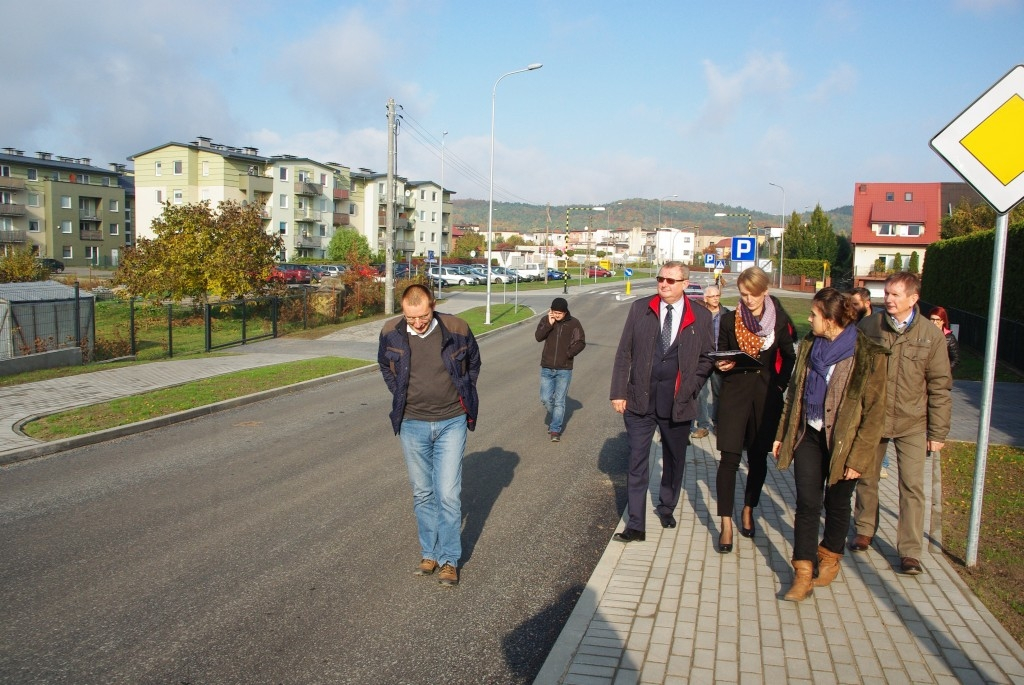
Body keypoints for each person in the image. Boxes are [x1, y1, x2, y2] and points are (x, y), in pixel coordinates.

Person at [772, 288, 888, 601]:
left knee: (836, 504)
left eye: (814, 315)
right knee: (808, 503)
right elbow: (794, 394)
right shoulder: (810, 345)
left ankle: (831, 555)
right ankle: (803, 571)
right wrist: (782, 434)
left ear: (831, 319)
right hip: (810, 434)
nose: (809, 319)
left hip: (845, 444)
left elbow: (875, 413)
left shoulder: (868, 355)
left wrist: (858, 458)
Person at [378, 284, 481, 587]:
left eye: (423, 316)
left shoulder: (457, 328)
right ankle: (429, 553)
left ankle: (449, 560)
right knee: (423, 493)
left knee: (447, 494)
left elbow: (473, 363)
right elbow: (385, 365)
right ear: (403, 312)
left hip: (452, 421)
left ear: (433, 306)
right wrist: (399, 392)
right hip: (412, 423)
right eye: (412, 318)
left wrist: (464, 392)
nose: (418, 323)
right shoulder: (391, 332)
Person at [849, 272, 952, 576]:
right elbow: (856, 372)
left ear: (913, 299)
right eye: (887, 293)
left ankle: (909, 551)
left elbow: (940, 386)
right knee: (867, 477)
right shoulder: (870, 326)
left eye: (895, 295)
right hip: (875, 418)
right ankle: (865, 529)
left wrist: (938, 432)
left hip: (912, 422)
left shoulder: (930, 336)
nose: (888, 299)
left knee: (912, 486)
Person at [610, 261, 715, 542]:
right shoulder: (641, 309)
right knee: (636, 461)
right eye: (661, 279)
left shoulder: (701, 317)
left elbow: (707, 358)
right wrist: (619, 392)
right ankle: (635, 524)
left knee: (674, 459)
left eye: (671, 280)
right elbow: (624, 353)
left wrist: (691, 387)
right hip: (640, 402)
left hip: (677, 404)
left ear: (684, 284)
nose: (664, 284)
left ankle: (666, 505)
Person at [714, 266, 796, 553]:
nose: (747, 300)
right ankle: (725, 522)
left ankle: (749, 508)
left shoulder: (779, 319)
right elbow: (721, 353)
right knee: (728, 459)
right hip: (734, 396)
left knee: (758, 459)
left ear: (765, 291)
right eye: (743, 294)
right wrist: (721, 365)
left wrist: (779, 386)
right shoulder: (728, 320)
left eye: (753, 294)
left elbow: (789, 356)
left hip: (765, 399)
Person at [535, 297, 586, 442]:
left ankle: (555, 429)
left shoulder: (574, 323)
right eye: (554, 312)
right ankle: (556, 417)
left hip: (564, 368)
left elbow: (581, 342)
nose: (556, 315)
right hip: (547, 367)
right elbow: (538, 337)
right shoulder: (546, 320)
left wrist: (568, 354)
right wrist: (549, 325)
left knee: (559, 401)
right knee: (545, 398)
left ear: (565, 312)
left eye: (559, 313)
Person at [691, 285, 728, 438]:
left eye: (717, 295)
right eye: (712, 296)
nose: (715, 298)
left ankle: (719, 424)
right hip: (704, 359)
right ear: (705, 298)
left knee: (719, 393)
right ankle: (703, 425)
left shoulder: (726, 314)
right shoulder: (700, 314)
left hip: (720, 358)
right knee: (700, 393)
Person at [928, 306, 960, 371]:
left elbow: (955, 359)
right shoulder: (923, 334)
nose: (934, 322)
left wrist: (945, 371)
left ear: (943, 321)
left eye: (938, 320)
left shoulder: (950, 338)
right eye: (932, 319)